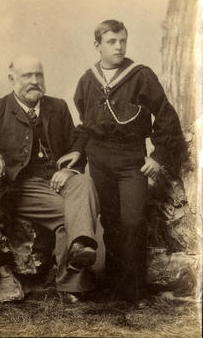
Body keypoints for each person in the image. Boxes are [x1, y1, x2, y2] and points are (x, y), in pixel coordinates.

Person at [0, 54, 99, 304]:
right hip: (21, 188)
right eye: (27, 76)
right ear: (11, 79)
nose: (34, 81)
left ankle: (79, 253)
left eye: (38, 75)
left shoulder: (58, 107)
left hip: (57, 180)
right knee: (70, 213)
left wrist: (70, 167)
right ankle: (73, 284)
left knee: (84, 182)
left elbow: (76, 141)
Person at [57, 19, 184, 304]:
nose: (118, 46)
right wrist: (79, 150)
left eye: (122, 40)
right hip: (99, 159)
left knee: (132, 221)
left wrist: (158, 156)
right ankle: (113, 288)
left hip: (131, 160)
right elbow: (86, 124)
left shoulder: (141, 75)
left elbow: (166, 116)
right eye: (112, 41)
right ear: (97, 46)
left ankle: (135, 292)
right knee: (111, 223)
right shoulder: (87, 80)